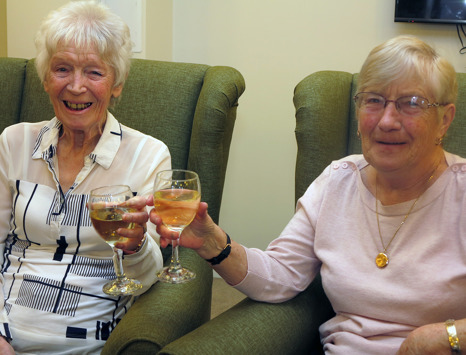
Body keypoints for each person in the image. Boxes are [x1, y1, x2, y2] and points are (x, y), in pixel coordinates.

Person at [150, 35, 465, 354]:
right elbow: (281, 274)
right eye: (374, 101)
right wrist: (212, 242)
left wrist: (444, 337)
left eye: (411, 103)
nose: (386, 121)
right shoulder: (338, 181)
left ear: (444, 120)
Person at [0, 1, 170, 354]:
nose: (76, 87)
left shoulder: (148, 156)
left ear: (117, 84)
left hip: (85, 342)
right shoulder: (13, 143)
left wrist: (136, 245)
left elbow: (149, 276)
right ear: (46, 78)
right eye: (62, 69)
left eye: (94, 72)